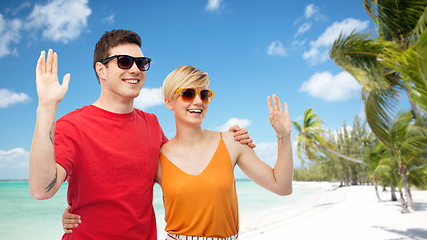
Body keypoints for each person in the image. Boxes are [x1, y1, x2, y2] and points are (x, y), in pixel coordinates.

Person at [29, 30, 253, 240]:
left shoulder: (152, 124)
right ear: (101, 70)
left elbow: (185, 171)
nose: (135, 69)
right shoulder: (73, 125)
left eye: (142, 63)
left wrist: (227, 141)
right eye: (124, 62)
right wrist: (47, 107)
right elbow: (41, 189)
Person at [62, 65, 294, 239]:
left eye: (204, 95)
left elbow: (281, 186)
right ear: (169, 102)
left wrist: (283, 136)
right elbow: (118, 197)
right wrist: (75, 214)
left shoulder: (233, 142)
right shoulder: (157, 157)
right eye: (188, 94)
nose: (198, 101)